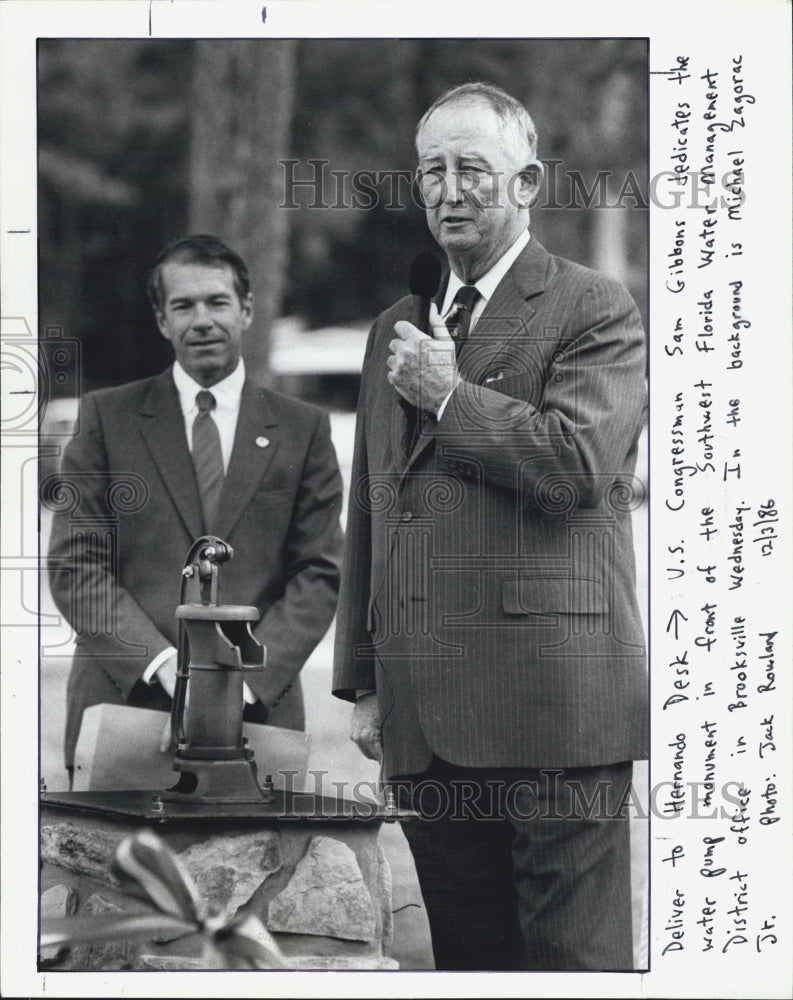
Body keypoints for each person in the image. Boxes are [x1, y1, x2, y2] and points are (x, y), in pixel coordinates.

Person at [332, 83, 648, 971]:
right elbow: (376, 504)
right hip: (427, 723)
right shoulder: (397, 326)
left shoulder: (594, 308)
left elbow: (571, 468)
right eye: (430, 170)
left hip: (556, 712)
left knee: (568, 969)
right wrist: (361, 679)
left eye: (472, 166)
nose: (447, 188)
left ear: (527, 181)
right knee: (470, 968)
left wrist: (449, 394)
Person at [48, 234, 344, 780]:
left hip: (259, 715)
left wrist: (242, 682)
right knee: (113, 866)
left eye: (217, 302)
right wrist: (165, 669)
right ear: (162, 320)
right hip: (125, 702)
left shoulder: (304, 430)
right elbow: (75, 565)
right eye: (183, 305)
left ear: (248, 309)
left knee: (262, 866)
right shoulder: (104, 421)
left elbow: (320, 571)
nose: (202, 319)